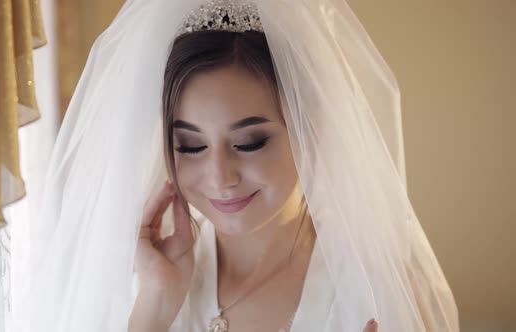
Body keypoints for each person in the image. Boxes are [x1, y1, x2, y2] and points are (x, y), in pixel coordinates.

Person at [30, 1, 459, 331]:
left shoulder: (375, 288)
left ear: (310, 130)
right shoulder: (144, 280)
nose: (220, 177)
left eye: (249, 141)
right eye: (190, 145)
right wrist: (155, 308)